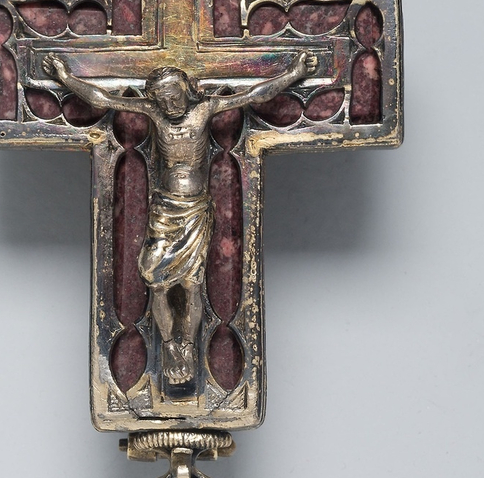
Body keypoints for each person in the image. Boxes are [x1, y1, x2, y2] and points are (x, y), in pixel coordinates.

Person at [43, 51, 317, 385]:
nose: (169, 104)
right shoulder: (154, 114)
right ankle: (170, 345)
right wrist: (66, 78)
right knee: (155, 280)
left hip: (195, 210)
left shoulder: (204, 110)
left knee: (191, 285)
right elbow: (104, 99)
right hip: (164, 210)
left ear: (186, 91)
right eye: (162, 99)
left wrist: (293, 74)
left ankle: (186, 345)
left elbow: (253, 96)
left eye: (174, 96)